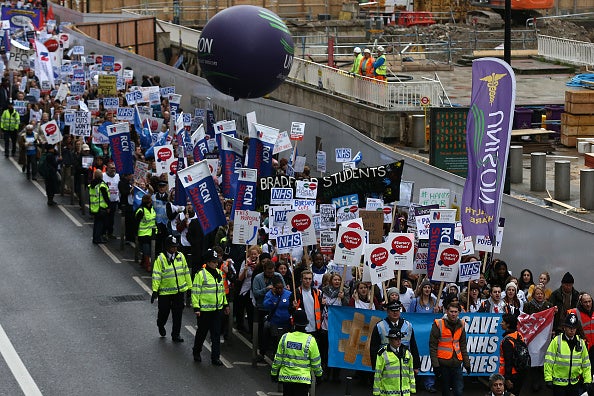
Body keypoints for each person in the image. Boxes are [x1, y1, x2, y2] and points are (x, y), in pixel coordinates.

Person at [270, 309, 323, 396]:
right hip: (303, 380)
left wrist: (274, 373)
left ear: (293, 322)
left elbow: (278, 359)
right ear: (306, 324)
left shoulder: (285, 338)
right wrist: (319, 376)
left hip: (287, 379)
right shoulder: (310, 341)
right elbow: (316, 362)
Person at [192, 248, 229, 366]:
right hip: (205, 311)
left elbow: (221, 290)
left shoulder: (219, 273)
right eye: (213, 262)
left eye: (217, 261)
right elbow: (196, 292)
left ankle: (215, 357)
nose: (216, 263)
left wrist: (225, 304)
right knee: (202, 333)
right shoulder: (201, 274)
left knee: (216, 334)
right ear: (208, 262)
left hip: (217, 310)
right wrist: (196, 308)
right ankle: (196, 352)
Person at [150, 235, 192, 342]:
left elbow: (186, 272)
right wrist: (155, 290)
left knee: (177, 315)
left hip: (178, 292)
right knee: (164, 312)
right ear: (167, 247)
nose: (175, 249)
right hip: (165, 293)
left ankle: (175, 335)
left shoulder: (181, 256)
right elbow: (156, 275)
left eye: (176, 246)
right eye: (173, 247)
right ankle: (160, 324)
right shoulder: (160, 259)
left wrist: (190, 288)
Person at [429, 302, 471, 396]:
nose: (453, 314)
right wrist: (435, 365)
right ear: (447, 311)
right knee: (446, 392)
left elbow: (463, 345)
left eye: (455, 312)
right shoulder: (438, 324)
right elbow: (433, 346)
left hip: (457, 363)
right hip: (443, 364)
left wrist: (467, 363)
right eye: (451, 311)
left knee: (459, 392)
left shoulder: (461, 324)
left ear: (459, 313)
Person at [544, 312, 592, 396]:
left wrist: (587, 380)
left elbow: (586, 363)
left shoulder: (580, 342)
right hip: (558, 384)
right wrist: (548, 378)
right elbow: (549, 360)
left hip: (574, 383)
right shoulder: (557, 341)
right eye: (569, 327)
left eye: (574, 328)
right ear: (564, 328)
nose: (572, 330)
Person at [370, 301, 420, 372]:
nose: (395, 312)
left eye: (397, 310)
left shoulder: (408, 325)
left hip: (405, 364)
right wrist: (376, 366)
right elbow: (374, 347)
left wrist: (416, 365)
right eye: (392, 310)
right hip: (386, 365)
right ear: (387, 312)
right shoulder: (379, 326)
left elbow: (413, 346)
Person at [252, 258, 285, 360]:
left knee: (275, 332)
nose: (271, 274)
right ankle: (261, 352)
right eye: (268, 272)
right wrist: (266, 290)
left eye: (272, 271)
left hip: (275, 308)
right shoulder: (258, 278)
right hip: (262, 308)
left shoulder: (278, 276)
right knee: (263, 332)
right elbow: (255, 292)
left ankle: (274, 352)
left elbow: (283, 288)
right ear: (264, 270)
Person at [373, 328, 416, 396]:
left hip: (405, 393)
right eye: (396, 339)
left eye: (400, 339)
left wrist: (412, 388)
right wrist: (376, 391)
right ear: (390, 340)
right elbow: (378, 373)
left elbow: (411, 372)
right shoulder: (383, 353)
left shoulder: (407, 352)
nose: (399, 341)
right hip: (388, 393)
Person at [263, 276, 293, 356]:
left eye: (281, 288)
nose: (279, 290)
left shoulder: (289, 294)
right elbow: (266, 305)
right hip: (275, 322)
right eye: (277, 288)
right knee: (276, 341)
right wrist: (274, 297)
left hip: (286, 323)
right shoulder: (269, 295)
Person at [499, 313, 525, 395]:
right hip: (520, 372)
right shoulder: (519, 335)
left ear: (508, 325)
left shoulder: (507, 341)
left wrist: (507, 379)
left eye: (503, 322)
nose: (501, 323)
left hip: (511, 375)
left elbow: (508, 361)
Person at [568, 293, 594, 366]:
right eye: (585, 302)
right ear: (581, 303)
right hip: (582, 346)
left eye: (589, 301)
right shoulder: (574, 313)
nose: (588, 304)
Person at [135, 194, 157, 272]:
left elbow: (154, 221)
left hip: (152, 233)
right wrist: (136, 234)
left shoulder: (152, 209)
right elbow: (136, 223)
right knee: (146, 250)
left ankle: (143, 262)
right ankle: (148, 265)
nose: (149, 203)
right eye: (148, 201)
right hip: (143, 234)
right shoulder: (141, 210)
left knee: (150, 250)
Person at [88, 169, 110, 244]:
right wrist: (109, 206)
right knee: (100, 224)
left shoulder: (91, 185)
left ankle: (95, 238)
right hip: (101, 207)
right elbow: (106, 197)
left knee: (96, 223)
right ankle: (97, 239)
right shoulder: (102, 185)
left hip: (94, 207)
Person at [102, 162, 120, 240]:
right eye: (111, 168)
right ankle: (103, 233)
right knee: (105, 218)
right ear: (107, 168)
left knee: (111, 218)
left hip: (114, 200)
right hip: (105, 201)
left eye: (114, 168)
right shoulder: (103, 176)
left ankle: (110, 233)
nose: (113, 170)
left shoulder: (117, 176)